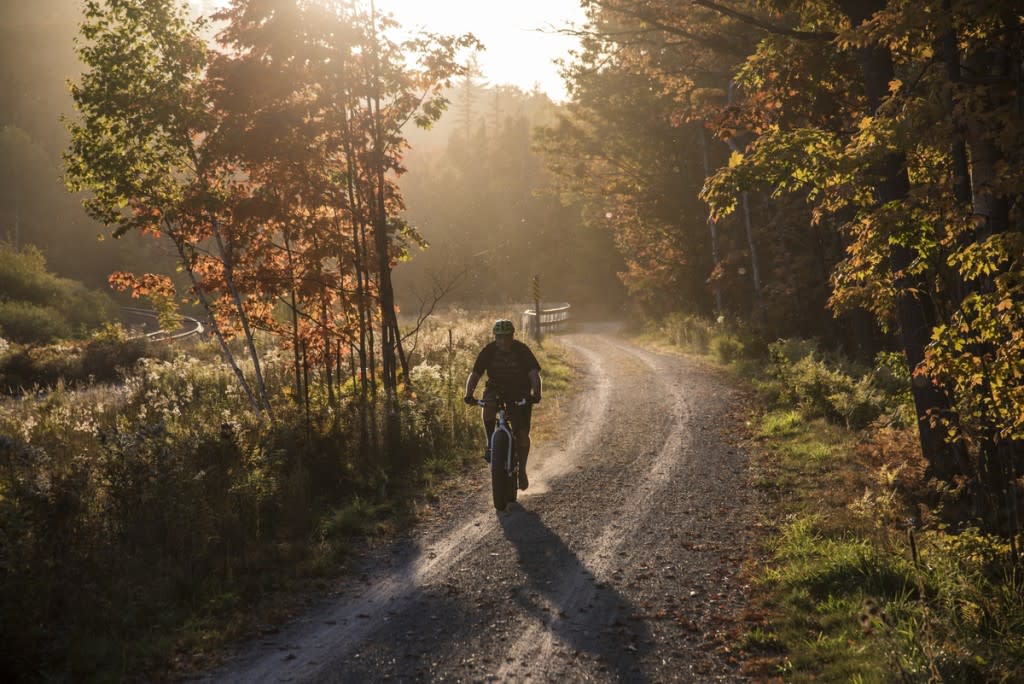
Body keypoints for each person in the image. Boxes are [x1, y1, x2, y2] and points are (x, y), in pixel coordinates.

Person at [464, 319, 542, 490]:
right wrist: (469, 394)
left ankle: (521, 470)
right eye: (499, 337)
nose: (503, 341)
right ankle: (491, 444)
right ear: (495, 337)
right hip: (496, 388)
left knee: (521, 434)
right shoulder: (489, 351)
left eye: (506, 337)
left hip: (519, 390)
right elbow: (475, 374)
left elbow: (534, 374)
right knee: (487, 409)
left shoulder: (522, 350)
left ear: (512, 336)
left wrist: (536, 393)